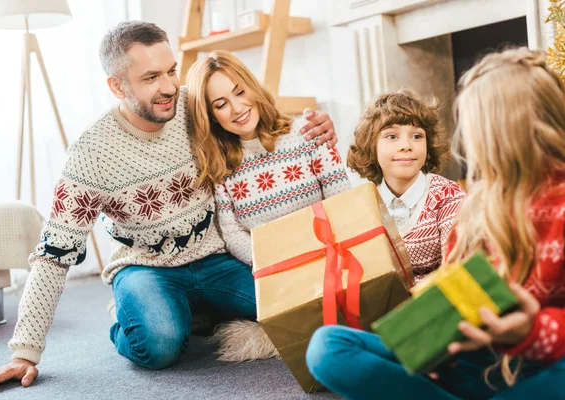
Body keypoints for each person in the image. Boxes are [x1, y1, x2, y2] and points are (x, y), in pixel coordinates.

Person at [0, 21, 336, 396]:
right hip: (146, 268)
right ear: (117, 85)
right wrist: (24, 353)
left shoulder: (193, 105)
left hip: (216, 258)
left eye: (172, 71)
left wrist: (312, 125)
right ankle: (128, 317)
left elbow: (249, 112)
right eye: (150, 78)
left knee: (296, 307)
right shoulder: (91, 154)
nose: (168, 87)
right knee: (158, 346)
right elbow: (54, 252)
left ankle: (194, 313)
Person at [305, 47, 565, 399]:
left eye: (474, 128)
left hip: (540, 365)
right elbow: (454, 296)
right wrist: (431, 339)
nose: (468, 142)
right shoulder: (477, 206)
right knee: (328, 347)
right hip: (469, 361)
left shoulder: (458, 199)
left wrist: (532, 332)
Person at [183, 50, 352, 361]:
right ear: (210, 115)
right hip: (271, 266)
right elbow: (232, 233)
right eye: (221, 104)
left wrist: (326, 254)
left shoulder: (307, 132)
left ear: (252, 87)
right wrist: (270, 264)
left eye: (239, 92)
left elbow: (341, 198)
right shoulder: (221, 166)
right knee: (258, 299)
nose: (237, 108)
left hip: (326, 253)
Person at [346, 89, 464, 283]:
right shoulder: (363, 204)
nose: (406, 145)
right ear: (371, 145)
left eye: (417, 136)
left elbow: (456, 269)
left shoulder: (448, 196)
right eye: (392, 136)